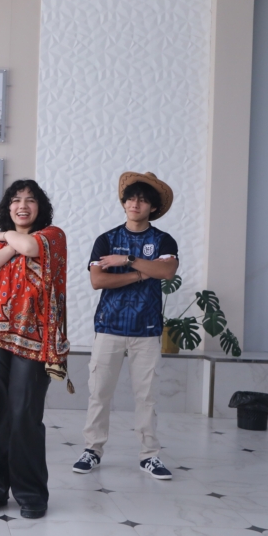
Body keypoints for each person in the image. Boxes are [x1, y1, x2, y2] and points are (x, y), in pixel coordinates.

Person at [0, 180, 69, 519]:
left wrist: (6, 239)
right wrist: (9, 244)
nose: (22, 205)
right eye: (15, 200)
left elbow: (29, 246)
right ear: (7, 208)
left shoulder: (52, 236)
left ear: (41, 207)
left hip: (35, 339)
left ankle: (31, 492)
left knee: (25, 414)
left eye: (30, 200)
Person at [73, 171, 179, 481]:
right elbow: (98, 280)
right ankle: (92, 450)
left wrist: (128, 260)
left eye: (143, 200)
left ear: (153, 207)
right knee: (99, 393)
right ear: (123, 203)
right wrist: (141, 274)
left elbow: (167, 271)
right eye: (131, 198)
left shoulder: (163, 240)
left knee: (147, 397)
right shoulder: (105, 239)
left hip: (147, 329)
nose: (135, 204)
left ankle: (149, 455)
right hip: (109, 326)